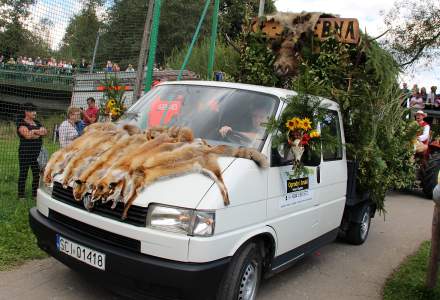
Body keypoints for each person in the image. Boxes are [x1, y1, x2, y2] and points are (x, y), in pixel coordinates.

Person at [17, 103, 47, 199]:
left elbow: (45, 132)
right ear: (26, 112)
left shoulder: (37, 122)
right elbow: (28, 136)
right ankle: (21, 195)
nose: (35, 113)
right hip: (25, 152)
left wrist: (33, 132)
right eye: (32, 111)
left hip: (37, 153)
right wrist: (35, 132)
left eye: (35, 111)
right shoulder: (21, 123)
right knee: (23, 173)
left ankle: (35, 194)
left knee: (36, 174)